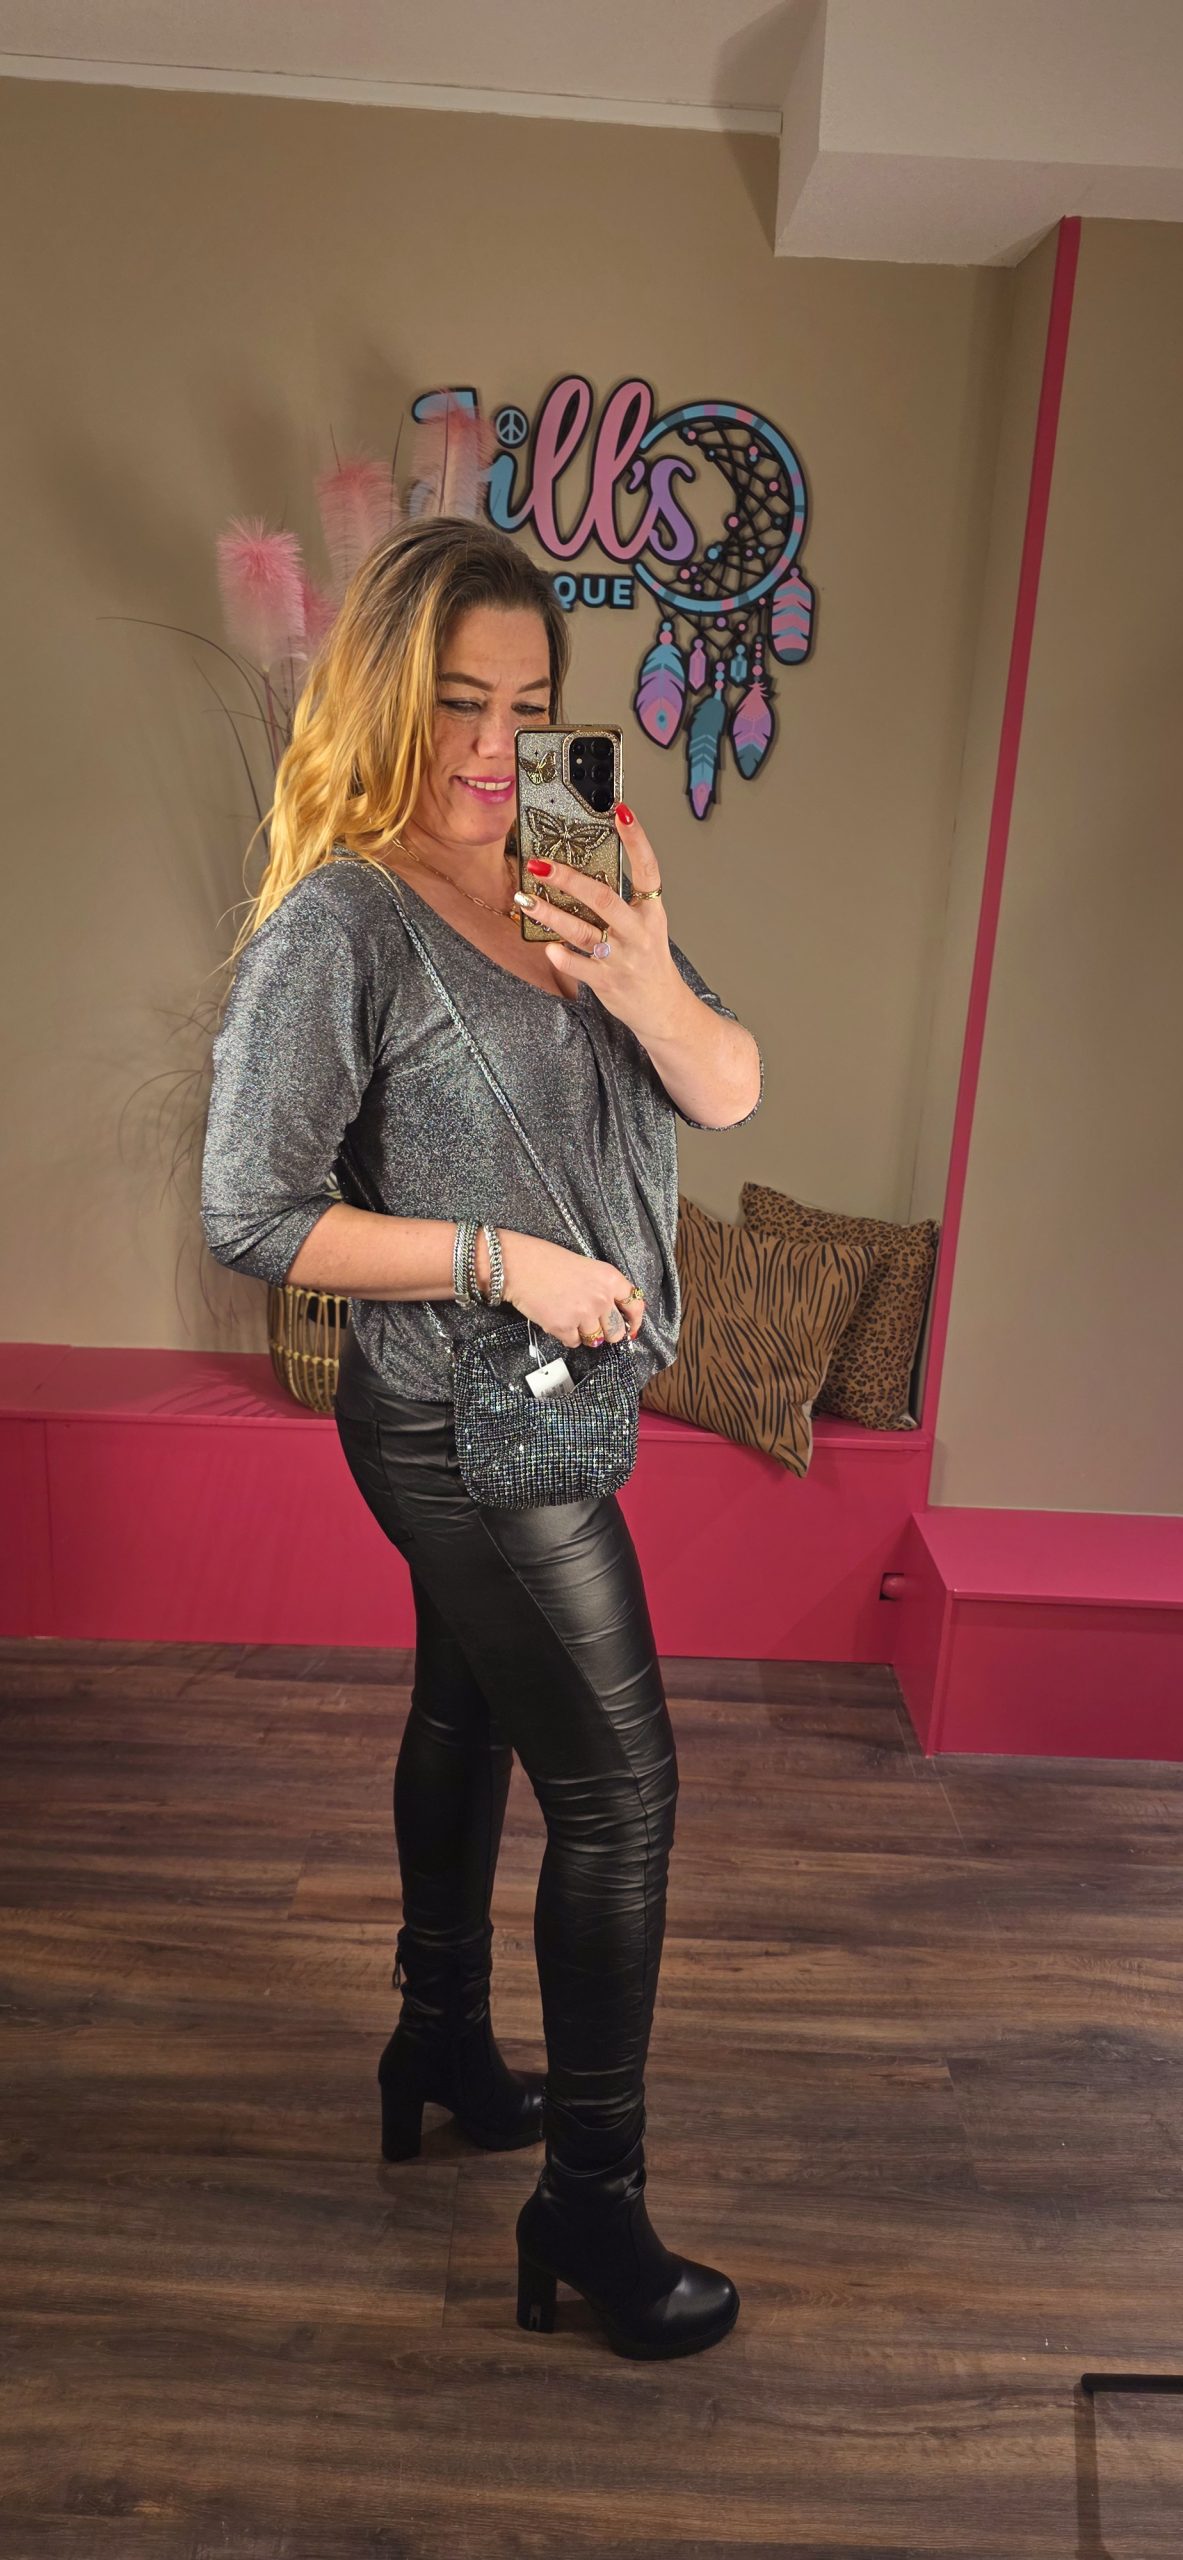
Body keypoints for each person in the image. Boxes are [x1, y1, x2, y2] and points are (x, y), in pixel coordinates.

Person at [200, 516, 763, 2360]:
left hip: (544, 1406)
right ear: (388, 698)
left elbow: (728, 1084)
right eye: (458, 702)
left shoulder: (565, 873)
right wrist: (504, 1261)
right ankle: (589, 2206)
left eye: (529, 705)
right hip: (463, 1421)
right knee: (624, 1793)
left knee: (471, 1708)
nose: (494, 746)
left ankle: (437, 2040)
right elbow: (253, 1211)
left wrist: (644, 963)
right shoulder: (341, 921)